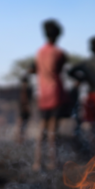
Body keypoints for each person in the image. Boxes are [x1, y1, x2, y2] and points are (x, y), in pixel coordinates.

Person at [31, 19, 67, 171]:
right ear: (58, 35)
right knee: (53, 130)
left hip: (42, 94)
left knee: (42, 129)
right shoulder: (59, 53)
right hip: (55, 93)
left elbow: (35, 69)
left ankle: (37, 162)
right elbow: (60, 69)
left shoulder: (39, 52)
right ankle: (53, 161)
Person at [16, 76, 32, 144]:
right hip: (21, 110)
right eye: (23, 82)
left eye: (25, 82)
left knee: (25, 126)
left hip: (26, 111)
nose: (24, 84)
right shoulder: (20, 90)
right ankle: (19, 140)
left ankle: (23, 139)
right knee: (20, 126)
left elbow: (30, 101)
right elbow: (19, 101)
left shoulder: (29, 90)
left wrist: (29, 109)